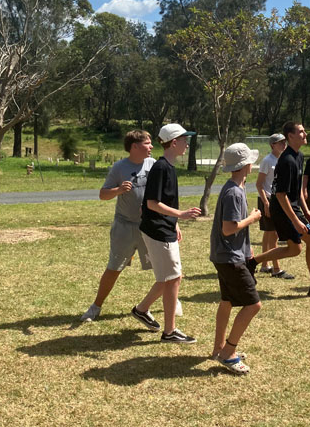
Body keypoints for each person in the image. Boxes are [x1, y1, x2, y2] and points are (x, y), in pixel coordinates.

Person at [80, 130, 184, 322]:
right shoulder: (119, 167)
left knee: (165, 268)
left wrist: (174, 223)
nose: (151, 146)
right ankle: (96, 307)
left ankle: (172, 299)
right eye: (147, 143)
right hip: (125, 227)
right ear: (134, 146)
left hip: (150, 227)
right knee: (114, 268)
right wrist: (118, 190)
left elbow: (165, 198)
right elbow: (103, 195)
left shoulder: (154, 164)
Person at [253, 121, 310, 299]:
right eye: (301, 131)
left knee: (294, 250)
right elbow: (280, 194)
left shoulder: (298, 156)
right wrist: (296, 220)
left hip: (291, 208)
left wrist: (306, 212)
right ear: (290, 136)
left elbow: (297, 188)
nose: (305, 134)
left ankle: (251, 262)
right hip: (283, 209)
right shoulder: (287, 160)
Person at [134, 123, 201, 343]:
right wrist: (180, 214)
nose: (186, 144)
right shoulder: (161, 168)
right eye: (184, 140)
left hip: (165, 227)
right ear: (173, 143)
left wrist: (175, 223)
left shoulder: (168, 166)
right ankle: (170, 332)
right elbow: (151, 203)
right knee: (173, 278)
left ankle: (141, 310)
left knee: (169, 277)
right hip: (157, 230)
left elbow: (164, 201)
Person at [210, 142, 262, 374]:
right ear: (245, 165)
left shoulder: (236, 187)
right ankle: (228, 352)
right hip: (229, 258)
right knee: (253, 305)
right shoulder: (233, 192)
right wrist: (253, 218)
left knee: (227, 301)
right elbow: (229, 228)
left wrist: (247, 250)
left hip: (228, 255)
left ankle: (218, 348)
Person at [255, 132, 292, 278]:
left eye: (284, 142)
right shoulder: (267, 161)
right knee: (274, 234)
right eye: (280, 142)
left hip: (277, 200)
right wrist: (266, 203)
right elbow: (259, 184)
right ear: (272, 145)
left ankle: (265, 265)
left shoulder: (283, 159)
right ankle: (276, 269)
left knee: (269, 233)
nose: (283, 144)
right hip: (268, 200)